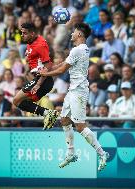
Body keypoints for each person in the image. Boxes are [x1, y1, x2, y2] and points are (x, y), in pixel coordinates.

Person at [40, 23, 109, 171]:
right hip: (73, 90)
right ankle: (71, 153)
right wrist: (48, 68)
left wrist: (45, 74)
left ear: (79, 34)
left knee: (80, 126)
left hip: (79, 91)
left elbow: (62, 69)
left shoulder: (77, 50)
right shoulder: (80, 50)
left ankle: (102, 154)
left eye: (74, 32)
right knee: (64, 119)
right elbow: (63, 64)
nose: (71, 34)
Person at [13, 22, 59, 129]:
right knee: (21, 102)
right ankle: (48, 114)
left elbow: (48, 65)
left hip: (43, 80)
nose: (22, 35)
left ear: (32, 33)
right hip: (39, 78)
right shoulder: (31, 41)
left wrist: (38, 84)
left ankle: (48, 113)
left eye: (24, 33)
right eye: (21, 32)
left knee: (16, 100)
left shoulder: (40, 45)